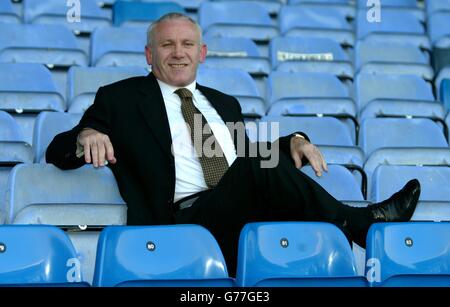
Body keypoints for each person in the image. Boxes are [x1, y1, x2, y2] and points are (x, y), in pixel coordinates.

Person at [46, 13, 420, 275]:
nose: (179, 52)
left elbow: (243, 155)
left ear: (201, 53)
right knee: (255, 170)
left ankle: (355, 228)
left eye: (188, 44)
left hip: (242, 211)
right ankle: (361, 222)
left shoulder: (225, 103)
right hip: (182, 222)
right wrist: (86, 136)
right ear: (149, 54)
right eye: (168, 45)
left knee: (259, 167)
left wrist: (295, 141)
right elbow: (57, 152)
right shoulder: (121, 99)